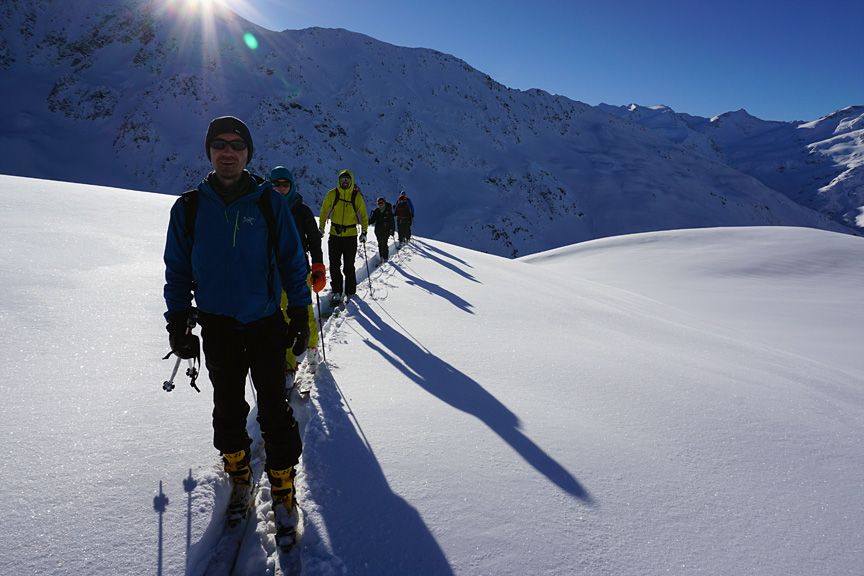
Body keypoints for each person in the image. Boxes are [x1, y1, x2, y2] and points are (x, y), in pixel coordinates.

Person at [163, 116, 309, 544]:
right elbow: (177, 270)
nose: (228, 152)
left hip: (264, 324)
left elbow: (292, 260)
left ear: (248, 153)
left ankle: (282, 488)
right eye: (220, 144)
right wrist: (177, 321)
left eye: (237, 145)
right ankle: (239, 474)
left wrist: (299, 312)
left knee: (274, 410)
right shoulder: (189, 208)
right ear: (209, 151)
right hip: (218, 328)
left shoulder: (269, 204)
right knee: (227, 409)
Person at [268, 166, 326, 383]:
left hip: (300, 272)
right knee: (283, 319)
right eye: (277, 184)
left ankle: (311, 348)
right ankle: (289, 366)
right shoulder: (265, 208)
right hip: (273, 274)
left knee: (305, 315)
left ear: (291, 186)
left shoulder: (302, 211)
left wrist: (318, 267)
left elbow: (314, 241)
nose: (281, 188)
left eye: (285, 184)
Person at [318, 170, 369, 305]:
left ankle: (350, 292)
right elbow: (324, 211)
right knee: (334, 265)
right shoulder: (332, 194)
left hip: (350, 236)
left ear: (351, 181)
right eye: (343, 179)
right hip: (334, 235)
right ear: (339, 181)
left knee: (348, 266)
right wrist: (321, 227)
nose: (345, 182)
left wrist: (364, 232)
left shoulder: (356, 197)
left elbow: (364, 216)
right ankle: (337, 291)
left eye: (347, 179)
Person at [368, 196, 395, 261]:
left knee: (384, 243)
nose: (380, 204)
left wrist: (392, 229)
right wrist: (368, 221)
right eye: (379, 203)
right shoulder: (376, 211)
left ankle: (385, 257)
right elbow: (373, 220)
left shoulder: (388, 211)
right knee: (380, 243)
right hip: (378, 230)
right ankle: (381, 256)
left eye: (381, 203)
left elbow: (392, 221)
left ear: (384, 202)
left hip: (386, 230)